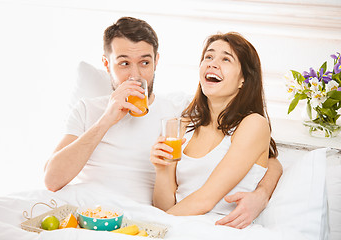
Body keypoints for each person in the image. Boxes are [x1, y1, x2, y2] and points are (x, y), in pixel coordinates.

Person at [44, 17, 282, 228]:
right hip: (87, 210)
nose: (135, 75)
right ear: (107, 64)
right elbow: (52, 180)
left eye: (145, 62)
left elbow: (267, 160)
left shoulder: (179, 114)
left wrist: (262, 194)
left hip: (140, 219)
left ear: (156, 61)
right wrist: (107, 120)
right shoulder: (88, 109)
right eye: (124, 63)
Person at [150, 32, 280, 229]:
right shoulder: (183, 124)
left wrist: (149, 227)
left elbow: (206, 200)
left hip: (218, 228)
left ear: (243, 79)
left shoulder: (253, 124)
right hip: (177, 224)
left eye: (226, 59)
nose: (212, 63)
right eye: (208, 57)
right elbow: (164, 206)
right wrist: (162, 169)